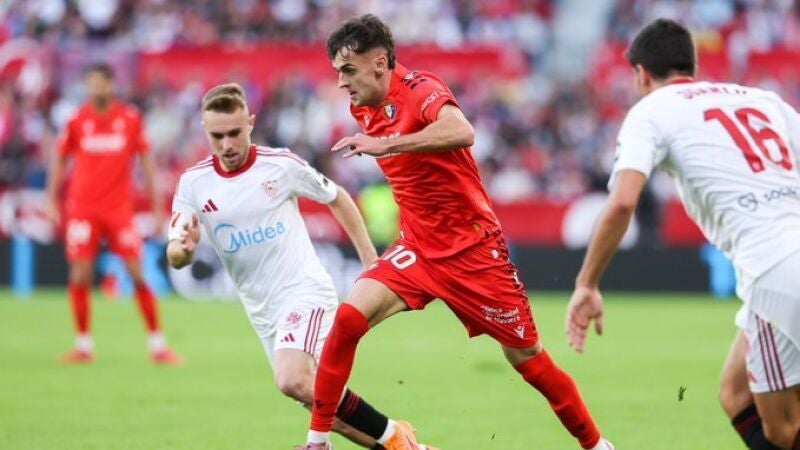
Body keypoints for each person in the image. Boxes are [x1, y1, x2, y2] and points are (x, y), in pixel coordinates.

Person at [299, 14, 614, 450]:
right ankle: (317, 442)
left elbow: (461, 131)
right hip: (418, 248)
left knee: (528, 360)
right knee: (348, 319)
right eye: (338, 71)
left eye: (348, 70)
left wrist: (387, 144)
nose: (341, 81)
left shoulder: (421, 89)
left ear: (380, 63)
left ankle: (598, 446)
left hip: (473, 252)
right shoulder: (362, 106)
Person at [565, 19, 800, 450]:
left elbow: (622, 202)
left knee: (782, 430)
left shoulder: (651, 110)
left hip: (774, 269)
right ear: (691, 65)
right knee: (736, 393)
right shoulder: (762, 99)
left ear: (641, 74)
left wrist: (587, 283)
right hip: (782, 259)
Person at [167, 82, 437, 450]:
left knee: (292, 380)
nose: (227, 144)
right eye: (217, 136)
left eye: (234, 133)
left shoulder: (280, 165)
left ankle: (393, 435)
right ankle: (403, 446)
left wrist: (370, 263)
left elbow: (337, 197)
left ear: (250, 123)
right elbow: (175, 253)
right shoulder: (193, 183)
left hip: (303, 290)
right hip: (262, 311)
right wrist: (183, 249)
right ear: (204, 130)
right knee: (317, 403)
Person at [46, 63, 181, 365]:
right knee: (80, 273)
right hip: (82, 208)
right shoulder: (77, 120)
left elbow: (146, 163)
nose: (96, 88)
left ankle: (158, 345)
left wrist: (157, 207)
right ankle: (83, 345)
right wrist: (51, 199)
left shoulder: (130, 119)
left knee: (137, 273)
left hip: (119, 210)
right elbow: (60, 159)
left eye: (101, 83)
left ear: (111, 85)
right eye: (92, 83)